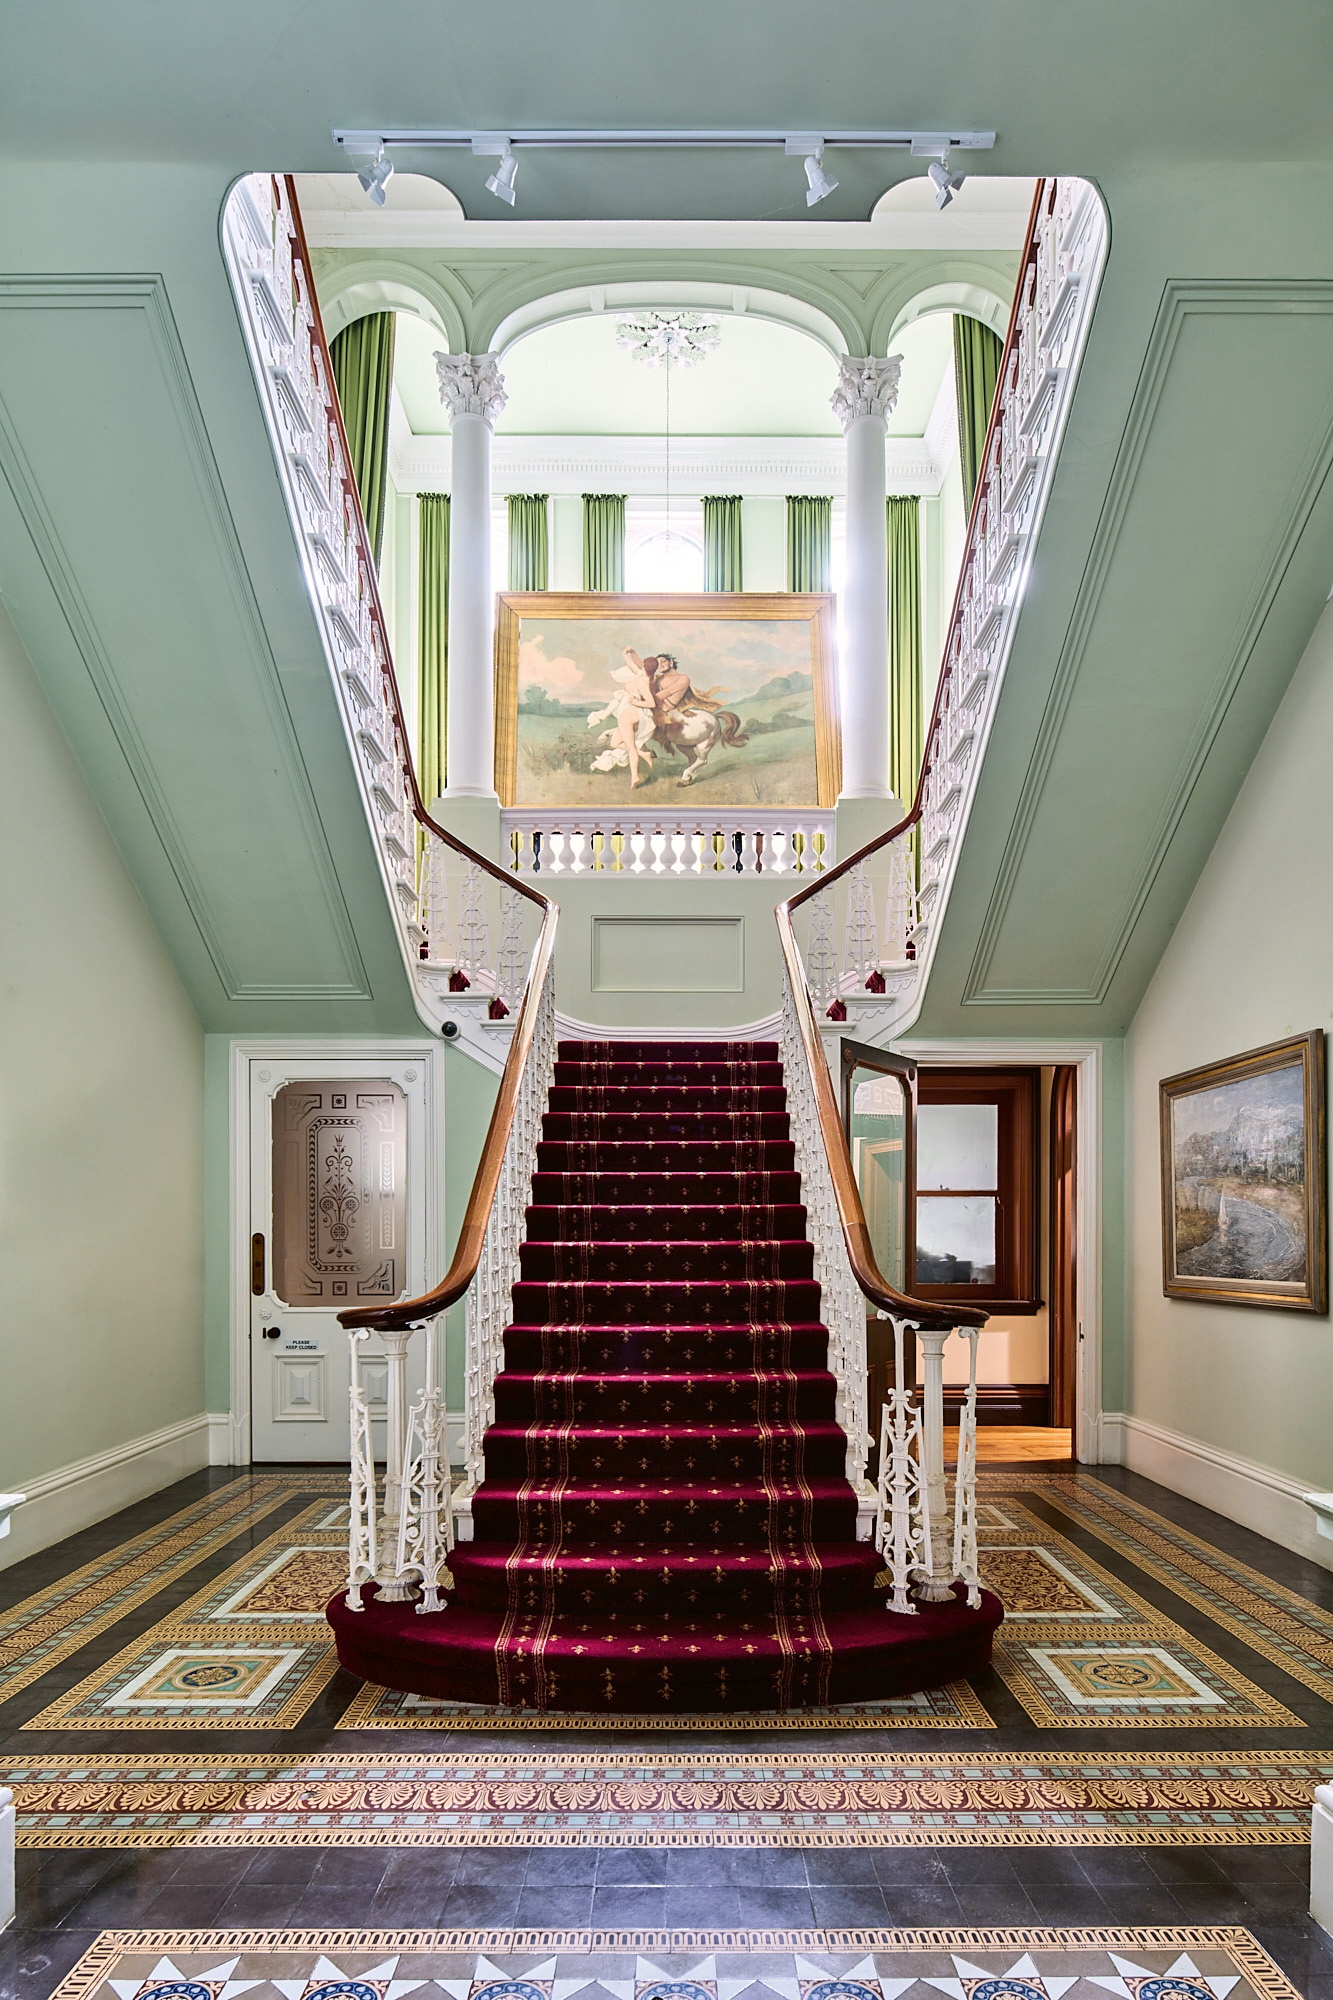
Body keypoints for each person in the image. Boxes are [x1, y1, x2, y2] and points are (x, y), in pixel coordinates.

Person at [586, 648, 658, 788]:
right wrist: (627, 653)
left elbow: (651, 703)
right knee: (614, 743)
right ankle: (644, 755)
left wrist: (636, 702)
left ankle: (635, 777)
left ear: (644, 667)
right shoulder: (642, 675)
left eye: (642, 664)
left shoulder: (644, 682)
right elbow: (633, 664)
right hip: (629, 713)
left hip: (629, 714)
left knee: (630, 748)